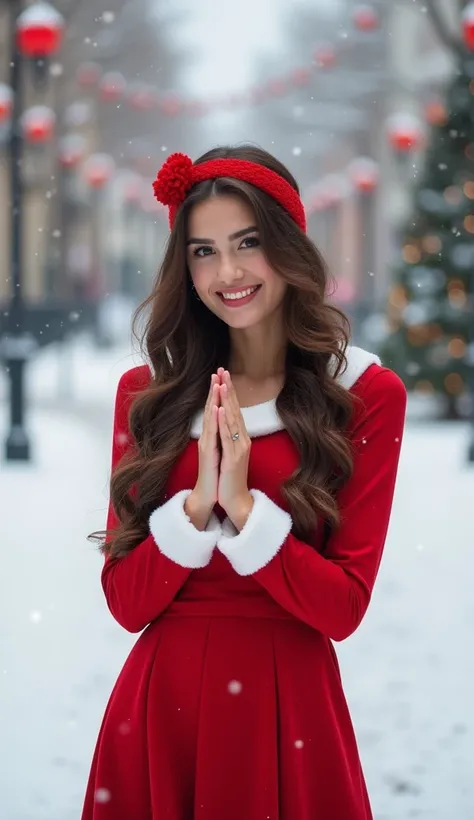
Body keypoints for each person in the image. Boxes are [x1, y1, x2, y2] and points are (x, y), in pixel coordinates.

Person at [81, 145, 407, 820]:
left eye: (248, 243)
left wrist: (244, 507)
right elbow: (124, 601)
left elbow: (342, 608)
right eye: (202, 250)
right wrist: (197, 506)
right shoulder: (147, 396)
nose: (226, 271)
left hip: (293, 704)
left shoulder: (365, 396)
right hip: (160, 705)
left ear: (289, 245)